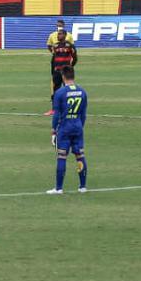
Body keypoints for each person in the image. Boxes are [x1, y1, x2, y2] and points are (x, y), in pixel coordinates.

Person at [47, 65, 87, 194]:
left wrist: (53, 130)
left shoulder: (60, 93)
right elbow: (84, 114)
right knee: (80, 156)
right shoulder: (82, 92)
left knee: (62, 156)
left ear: (63, 77)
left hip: (65, 127)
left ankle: (59, 188)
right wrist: (80, 126)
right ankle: (82, 187)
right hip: (78, 126)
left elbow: (57, 114)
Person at [47, 31, 77, 116]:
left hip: (66, 71)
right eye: (58, 34)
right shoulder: (55, 46)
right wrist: (54, 69)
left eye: (60, 34)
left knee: (69, 89)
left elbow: (75, 57)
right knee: (56, 90)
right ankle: (54, 109)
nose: (58, 35)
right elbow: (54, 58)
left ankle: (71, 107)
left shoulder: (70, 45)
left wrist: (70, 67)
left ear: (65, 35)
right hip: (57, 71)